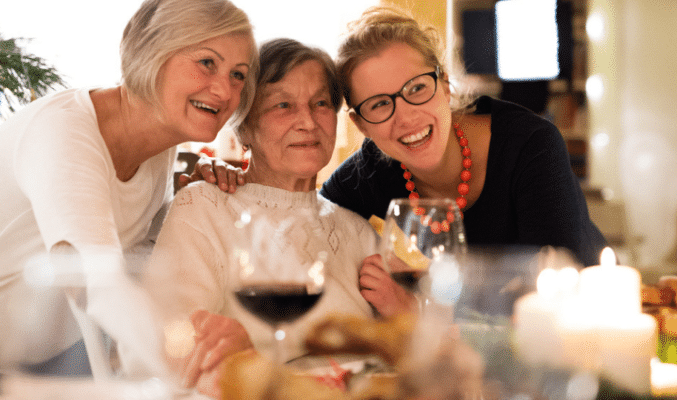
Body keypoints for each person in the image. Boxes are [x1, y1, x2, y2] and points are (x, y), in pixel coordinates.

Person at [0, 0, 257, 378]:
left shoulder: (160, 143)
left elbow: (135, 249)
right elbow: (99, 284)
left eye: (238, 74)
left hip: (53, 361)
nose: (225, 89)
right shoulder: (63, 133)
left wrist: (190, 192)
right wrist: (198, 370)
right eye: (207, 62)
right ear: (152, 52)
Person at [143, 38, 379, 396]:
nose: (308, 121)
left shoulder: (357, 229)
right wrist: (242, 362)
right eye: (283, 105)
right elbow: (168, 341)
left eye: (321, 103)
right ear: (243, 127)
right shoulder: (205, 205)